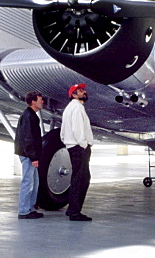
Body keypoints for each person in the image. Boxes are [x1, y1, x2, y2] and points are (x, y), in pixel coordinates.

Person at [61, 83, 94, 221]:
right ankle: (75, 211)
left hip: (73, 146)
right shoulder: (77, 108)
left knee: (79, 178)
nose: (84, 92)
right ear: (74, 94)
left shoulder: (69, 108)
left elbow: (63, 132)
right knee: (81, 179)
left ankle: (72, 210)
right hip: (79, 147)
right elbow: (78, 129)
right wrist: (83, 144)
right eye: (80, 91)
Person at [14, 91, 45, 219]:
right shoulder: (29, 116)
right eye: (40, 99)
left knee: (34, 182)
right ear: (33, 102)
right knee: (28, 182)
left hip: (28, 154)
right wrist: (34, 157)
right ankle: (23, 211)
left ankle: (30, 208)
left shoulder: (31, 115)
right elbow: (28, 138)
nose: (42, 101)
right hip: (28, 155)